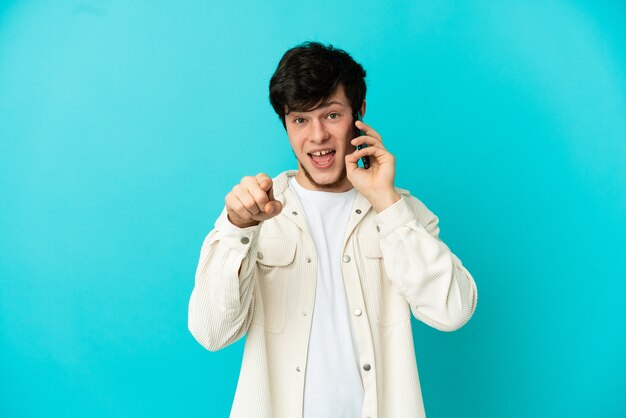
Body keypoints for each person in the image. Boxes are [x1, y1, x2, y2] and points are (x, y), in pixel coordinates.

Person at [188, 41, 477, 418]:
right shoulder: (253, 209)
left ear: (360, 114)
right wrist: (235, 229)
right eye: (300, 120)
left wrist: (386, 202)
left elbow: (452, 310)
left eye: (332, 115)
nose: (318, 136)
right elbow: (211, 333)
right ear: (286, 125)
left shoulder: (401, 211)